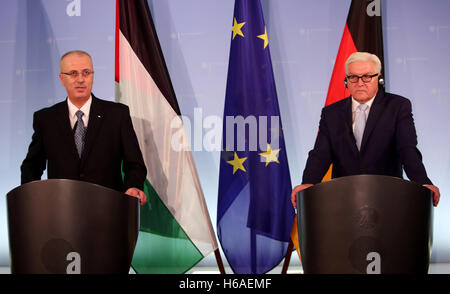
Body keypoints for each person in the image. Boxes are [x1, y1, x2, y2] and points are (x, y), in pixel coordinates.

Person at [291, 52, 440, 208]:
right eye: (353, 77)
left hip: (387, 197)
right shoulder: (331, 113)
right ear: (346, 80)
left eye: (367, 76)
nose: (360, 83)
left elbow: (407, 149)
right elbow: (320, 154)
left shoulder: (398, 106)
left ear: (379, 78)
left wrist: (423, 182)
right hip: (343, 199)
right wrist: (308, 182)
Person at [21, 50, 147, 205]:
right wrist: (30, 197)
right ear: (62, 79)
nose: (80, 79)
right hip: (61, 212)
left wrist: (133, 185)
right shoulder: (46, 119)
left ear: (92, 76)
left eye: (86, 72)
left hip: (108, 210)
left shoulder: (117, 115)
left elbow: (134, 163)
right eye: (73, 73)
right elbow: (32, 165)